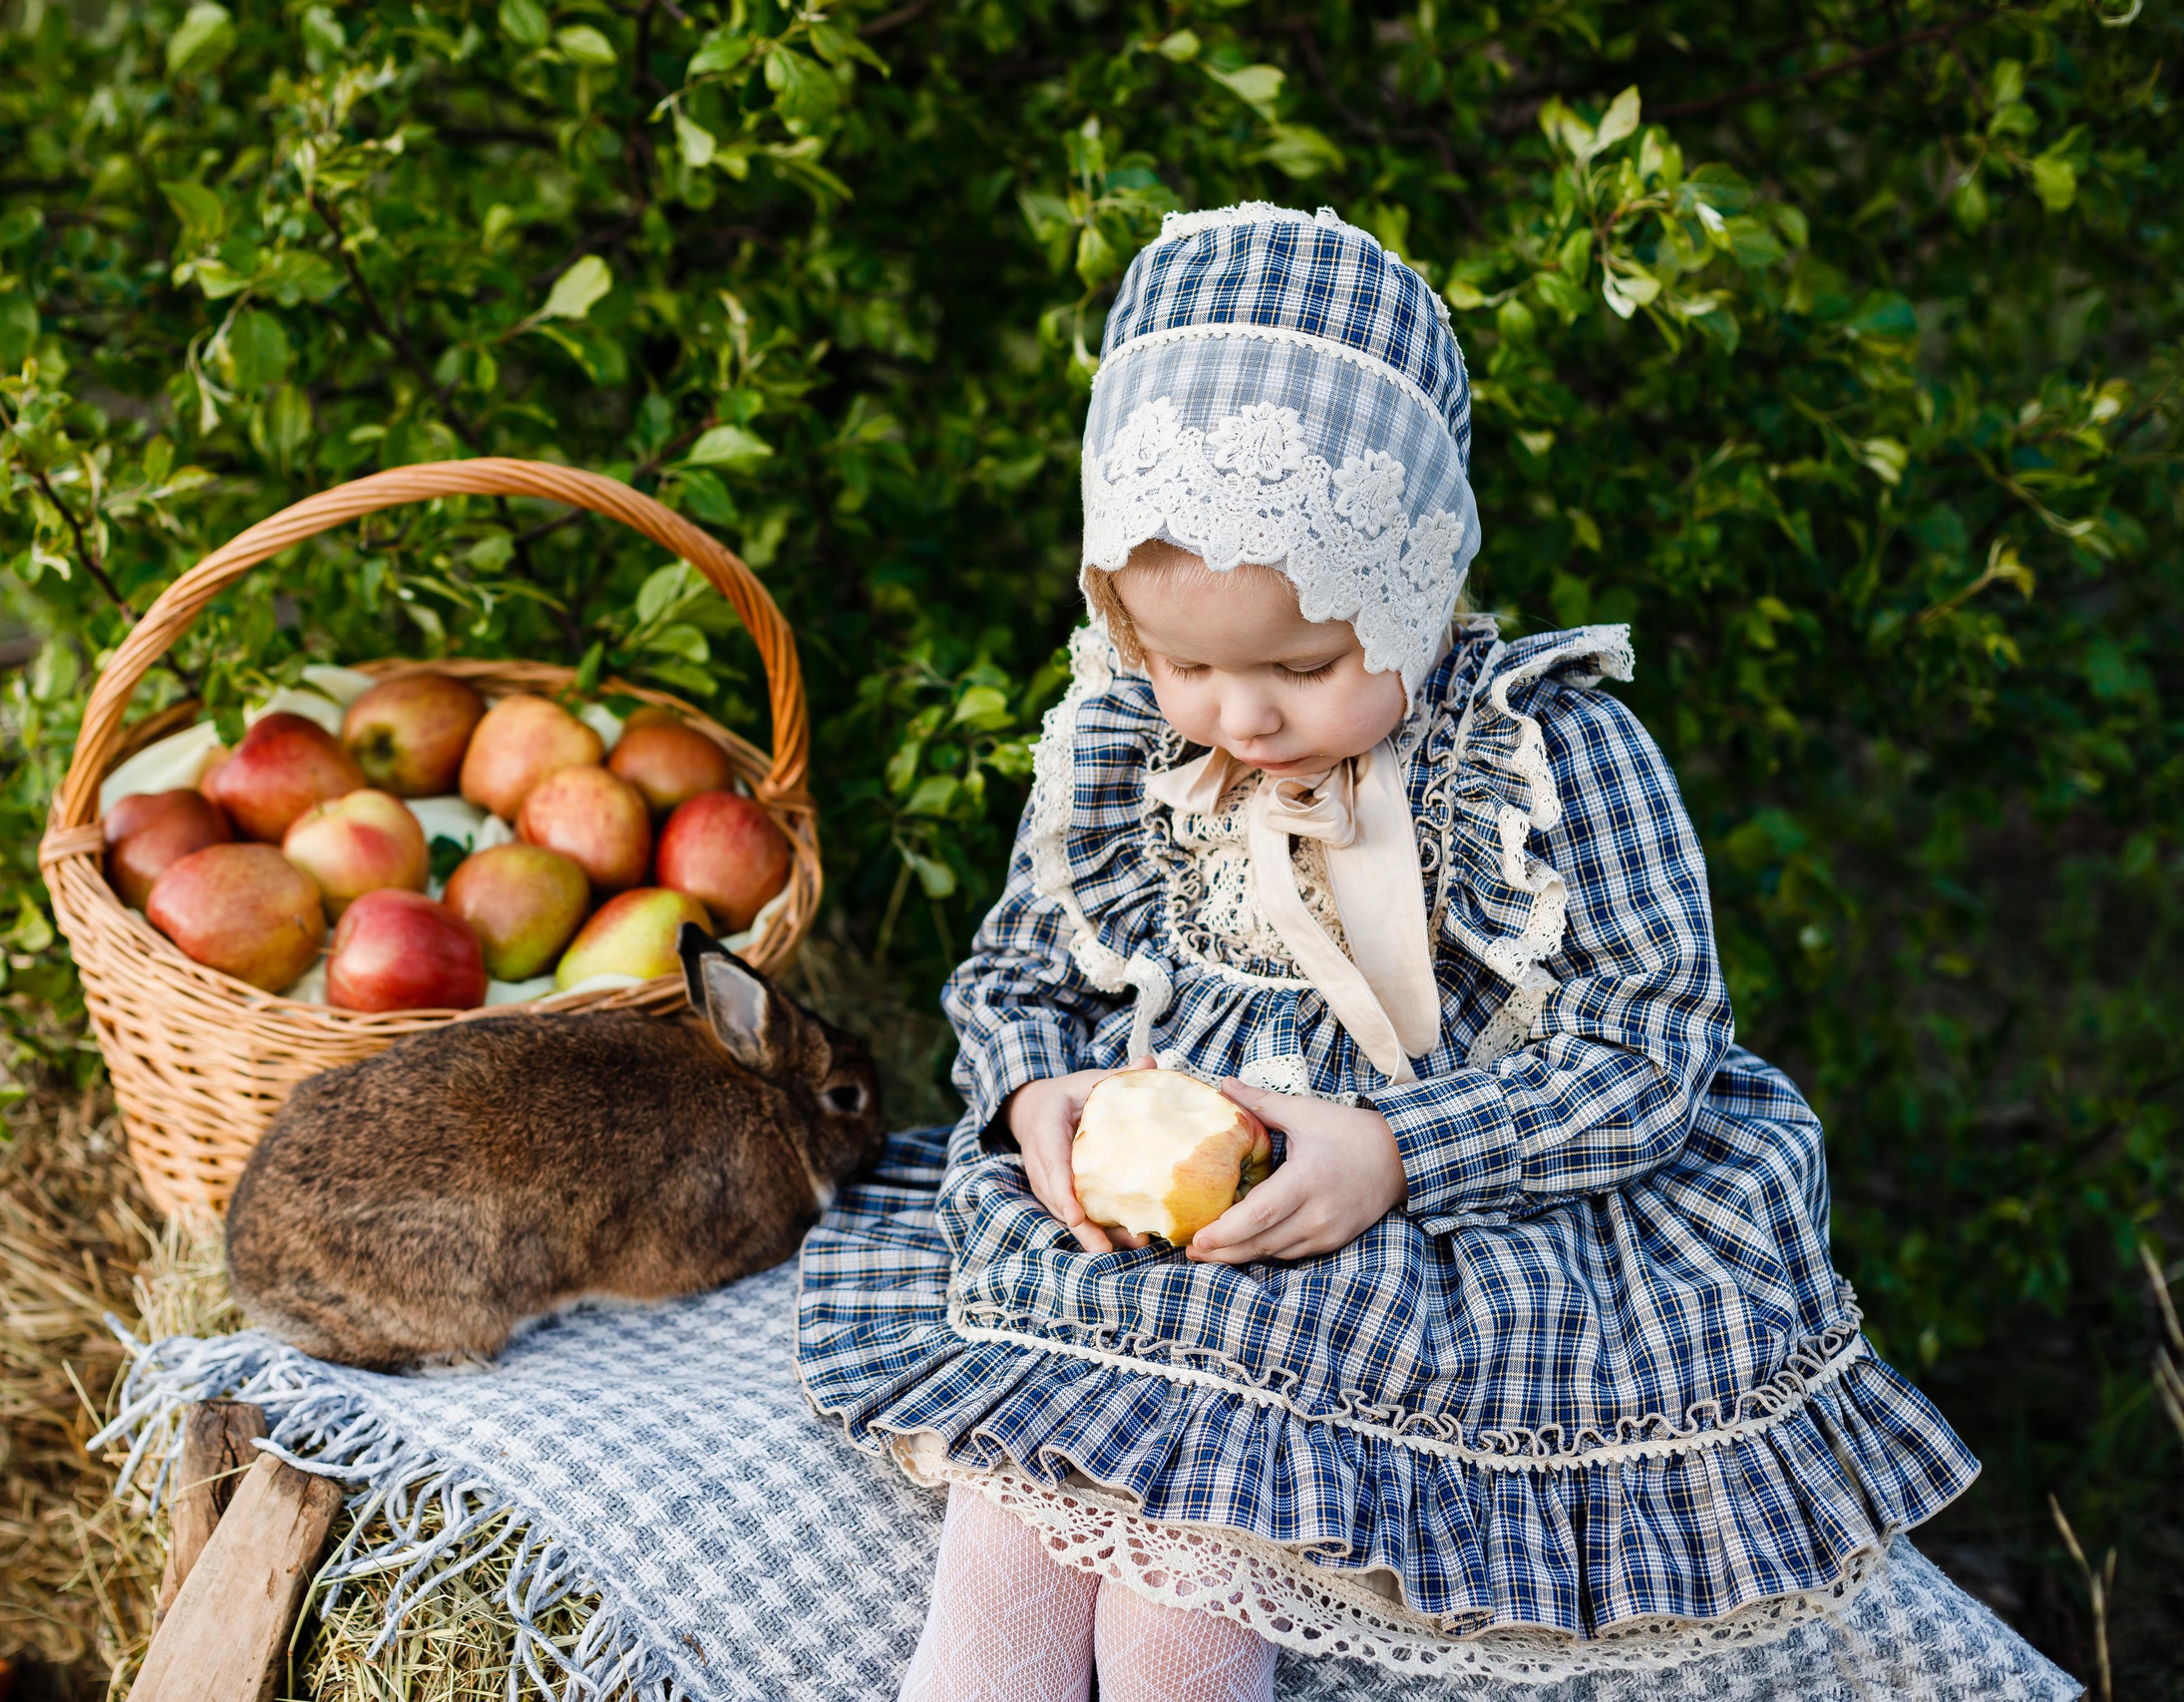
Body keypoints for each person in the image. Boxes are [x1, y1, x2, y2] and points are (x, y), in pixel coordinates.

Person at [795, 203, 2077, 1702]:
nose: (1242, 717)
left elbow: (1653, 1039)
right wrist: (1039, 1100)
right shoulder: (1122, 741)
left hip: (1406, 1214)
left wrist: (1398, 1150)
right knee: (1013, 1516)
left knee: (1176, 1583)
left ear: (1416, 589)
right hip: (1142, 1230)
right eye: (1185, 661)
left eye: (1304, 666)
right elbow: (1022, 974)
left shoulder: (1544, 751)